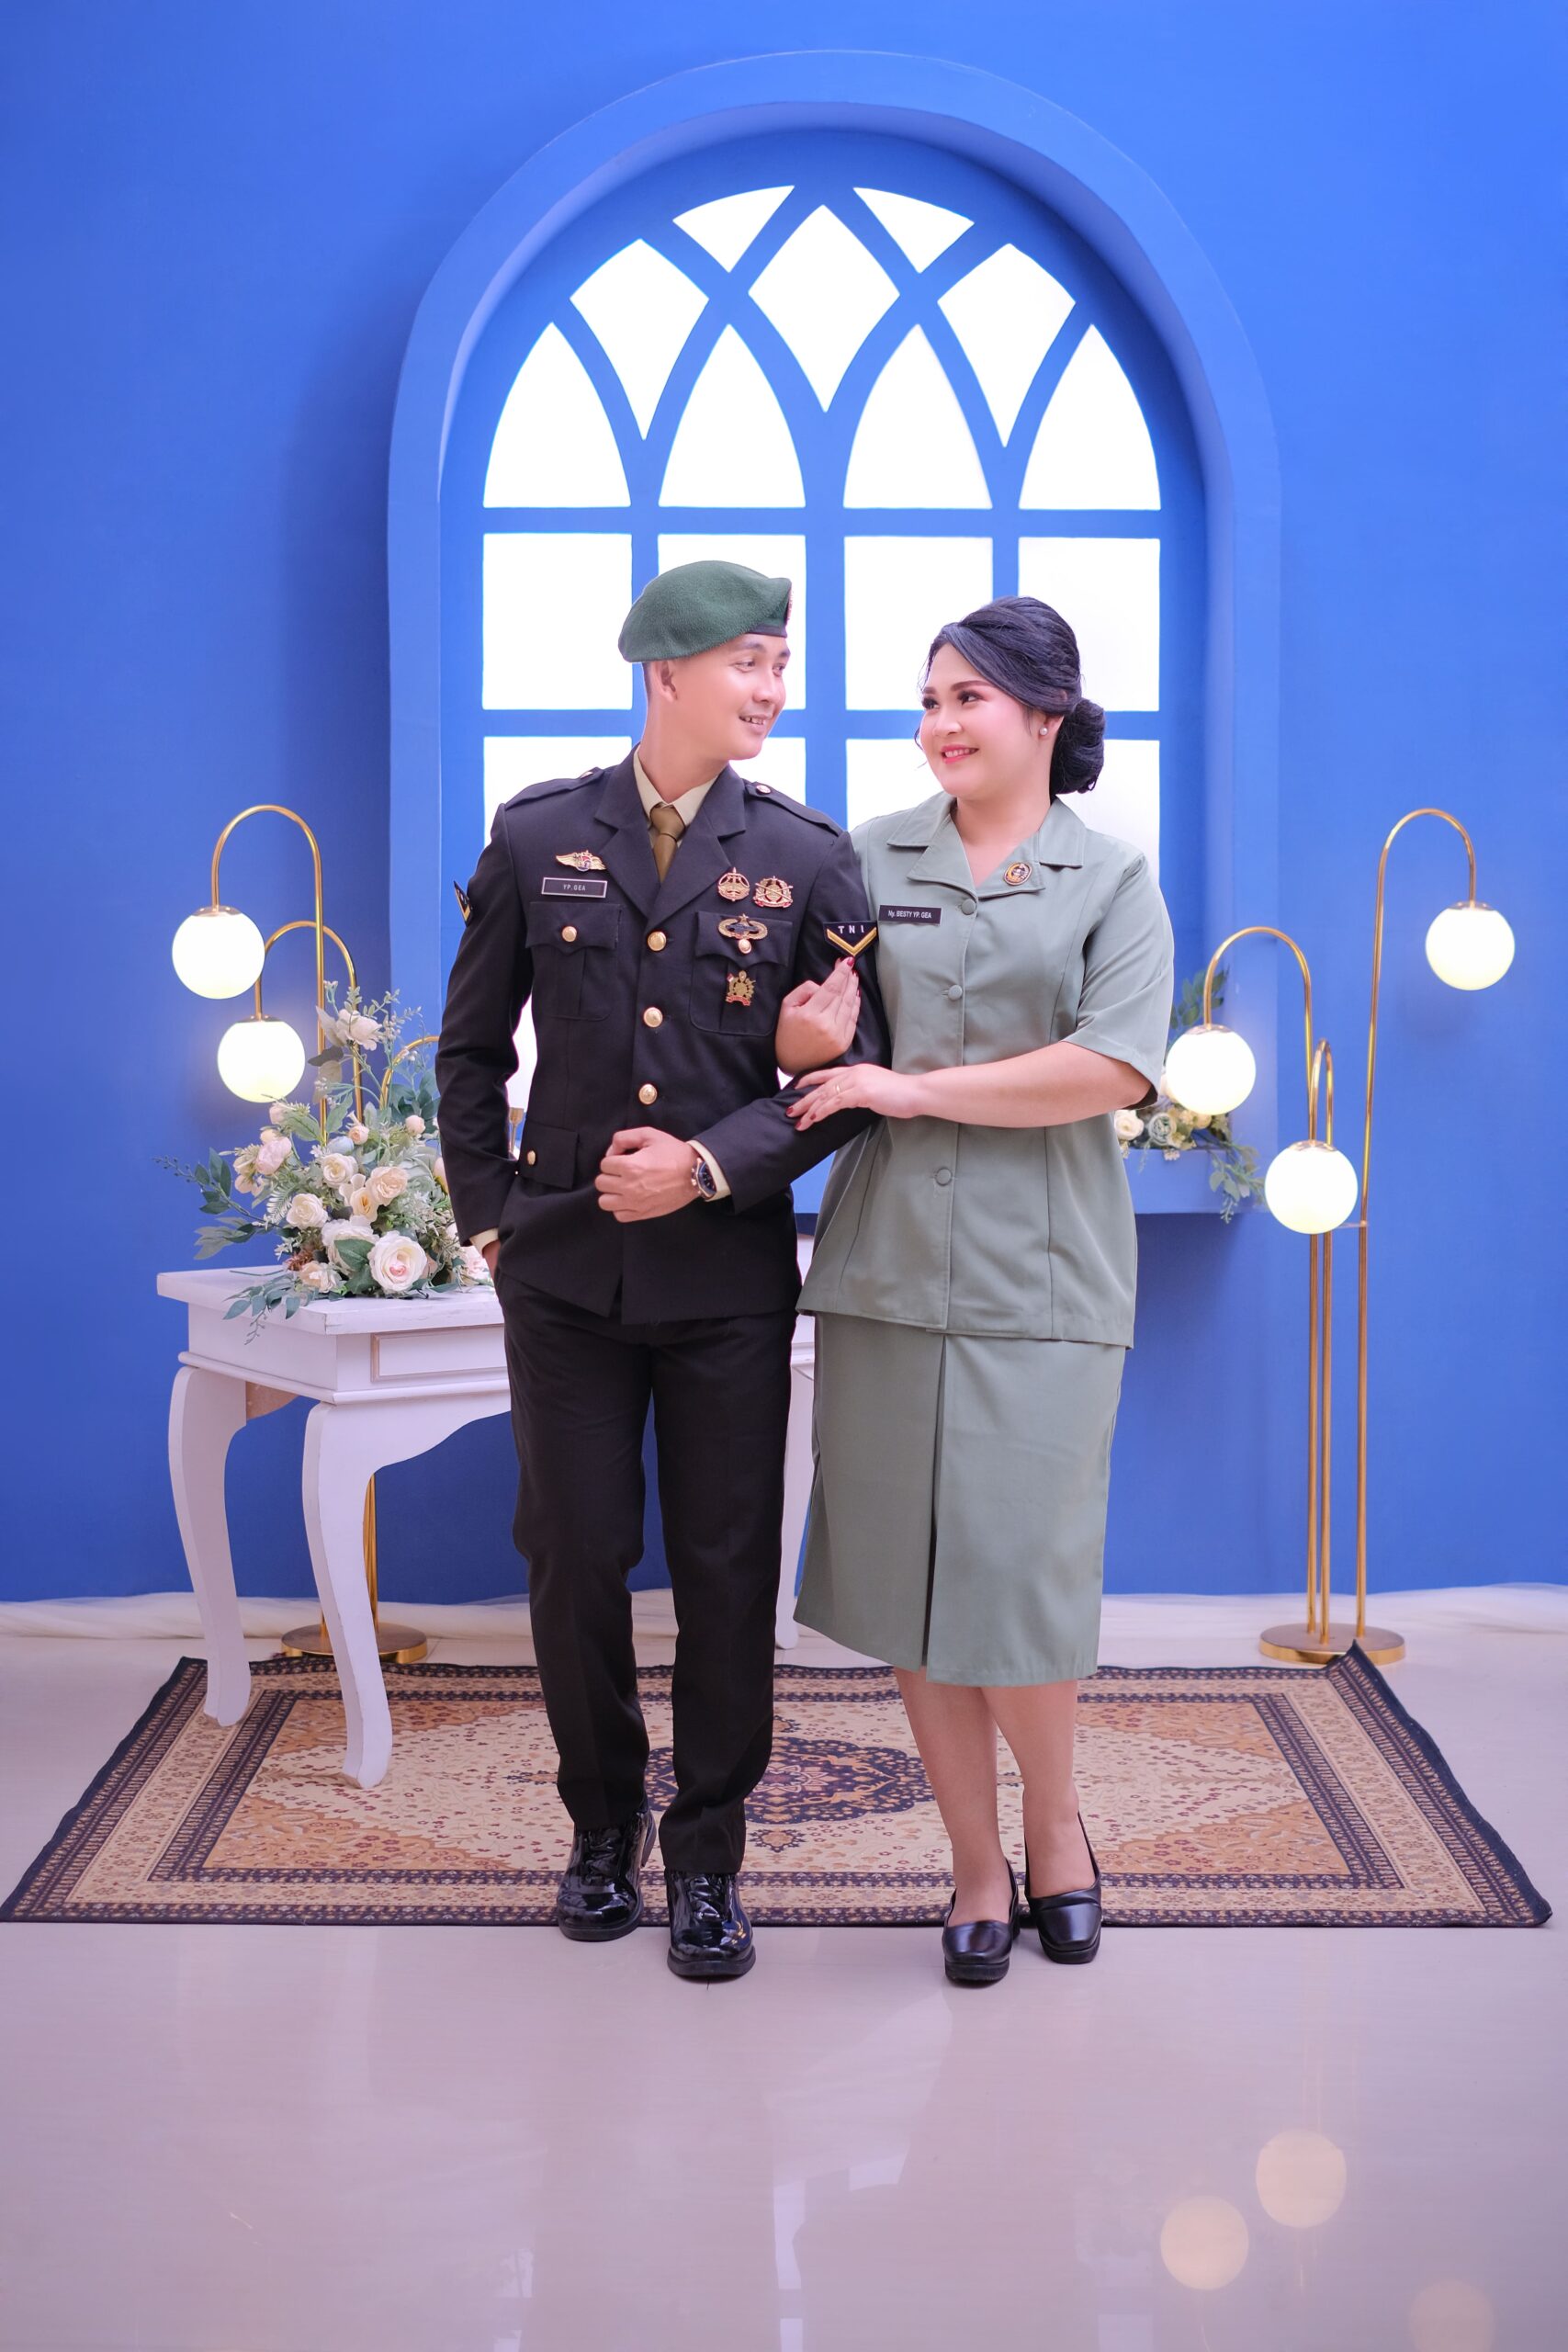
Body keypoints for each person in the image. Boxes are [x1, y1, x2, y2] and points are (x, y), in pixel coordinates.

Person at [435, 560, 887, 1982]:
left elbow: (853, 1074)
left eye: (781, 663)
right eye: (750, 661)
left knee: (725, 1565)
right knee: (573, 1553)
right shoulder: (537, 836)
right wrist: (491, 1217)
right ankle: (597, 1828)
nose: (773, 688)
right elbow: (467, 1052)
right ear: (667, 672)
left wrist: (705, 1163)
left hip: (725, 1282)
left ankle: (706, 1858)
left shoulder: (807, 858)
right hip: (564, 1275)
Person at [790, 595, 1174, 1986]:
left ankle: (1057, 1830)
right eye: (930, 699)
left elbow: (1114, 1066)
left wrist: (909, 1089)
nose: (940, 724)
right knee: (910, 1584)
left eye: (970, 698)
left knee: (1017, 1577)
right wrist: (808, 1044)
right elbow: (809, 1045)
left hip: (1046, 1272)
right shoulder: (867, 856)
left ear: (1045, 717)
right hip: (890, 1266)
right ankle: (972, 1863)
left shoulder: (1112, 879)